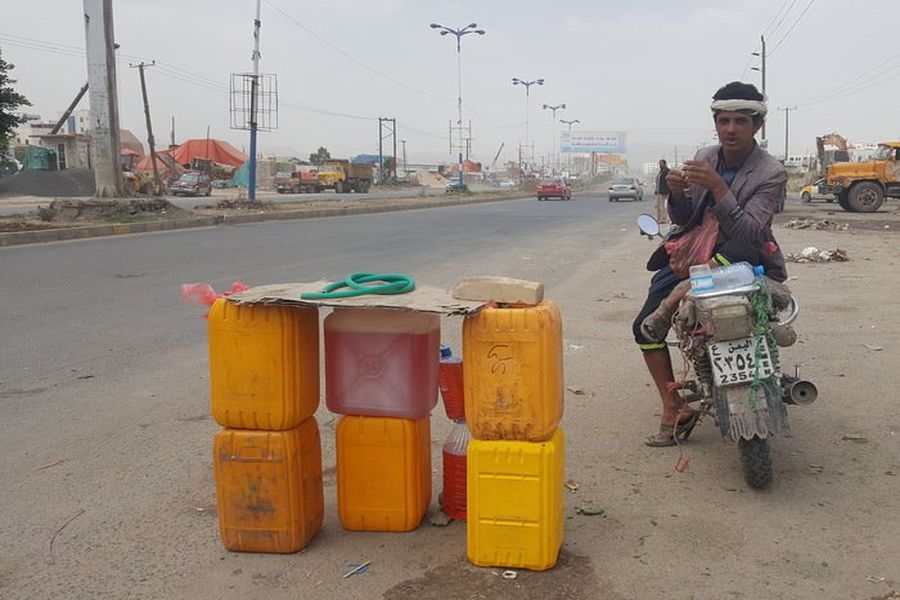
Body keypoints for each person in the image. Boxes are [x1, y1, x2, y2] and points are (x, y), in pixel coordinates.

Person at [632, 81, 788, 447]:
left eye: (740, 121)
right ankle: (673, 407)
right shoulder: (704, 157)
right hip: (691, 257)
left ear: (757, 126)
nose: (730, 129)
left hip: (738, 258)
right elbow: (685, 216)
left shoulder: (771, 172)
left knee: (741, 249)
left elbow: (751, 231)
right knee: (643, 329)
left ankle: (678, 296)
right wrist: (677, 193)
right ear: (715, 123)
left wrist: (720, 188)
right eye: (724, 121)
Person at [654, 159, 670, 223]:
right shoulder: (660, 172)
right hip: (659, 191)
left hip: (665, 192)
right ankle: (660, 218)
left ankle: (665, 219)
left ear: (664, 164)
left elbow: (668, 181)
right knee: (659, 206)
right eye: (659, 163)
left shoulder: (667, 171)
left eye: (661, 163)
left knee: (665, 206)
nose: (660, 165)